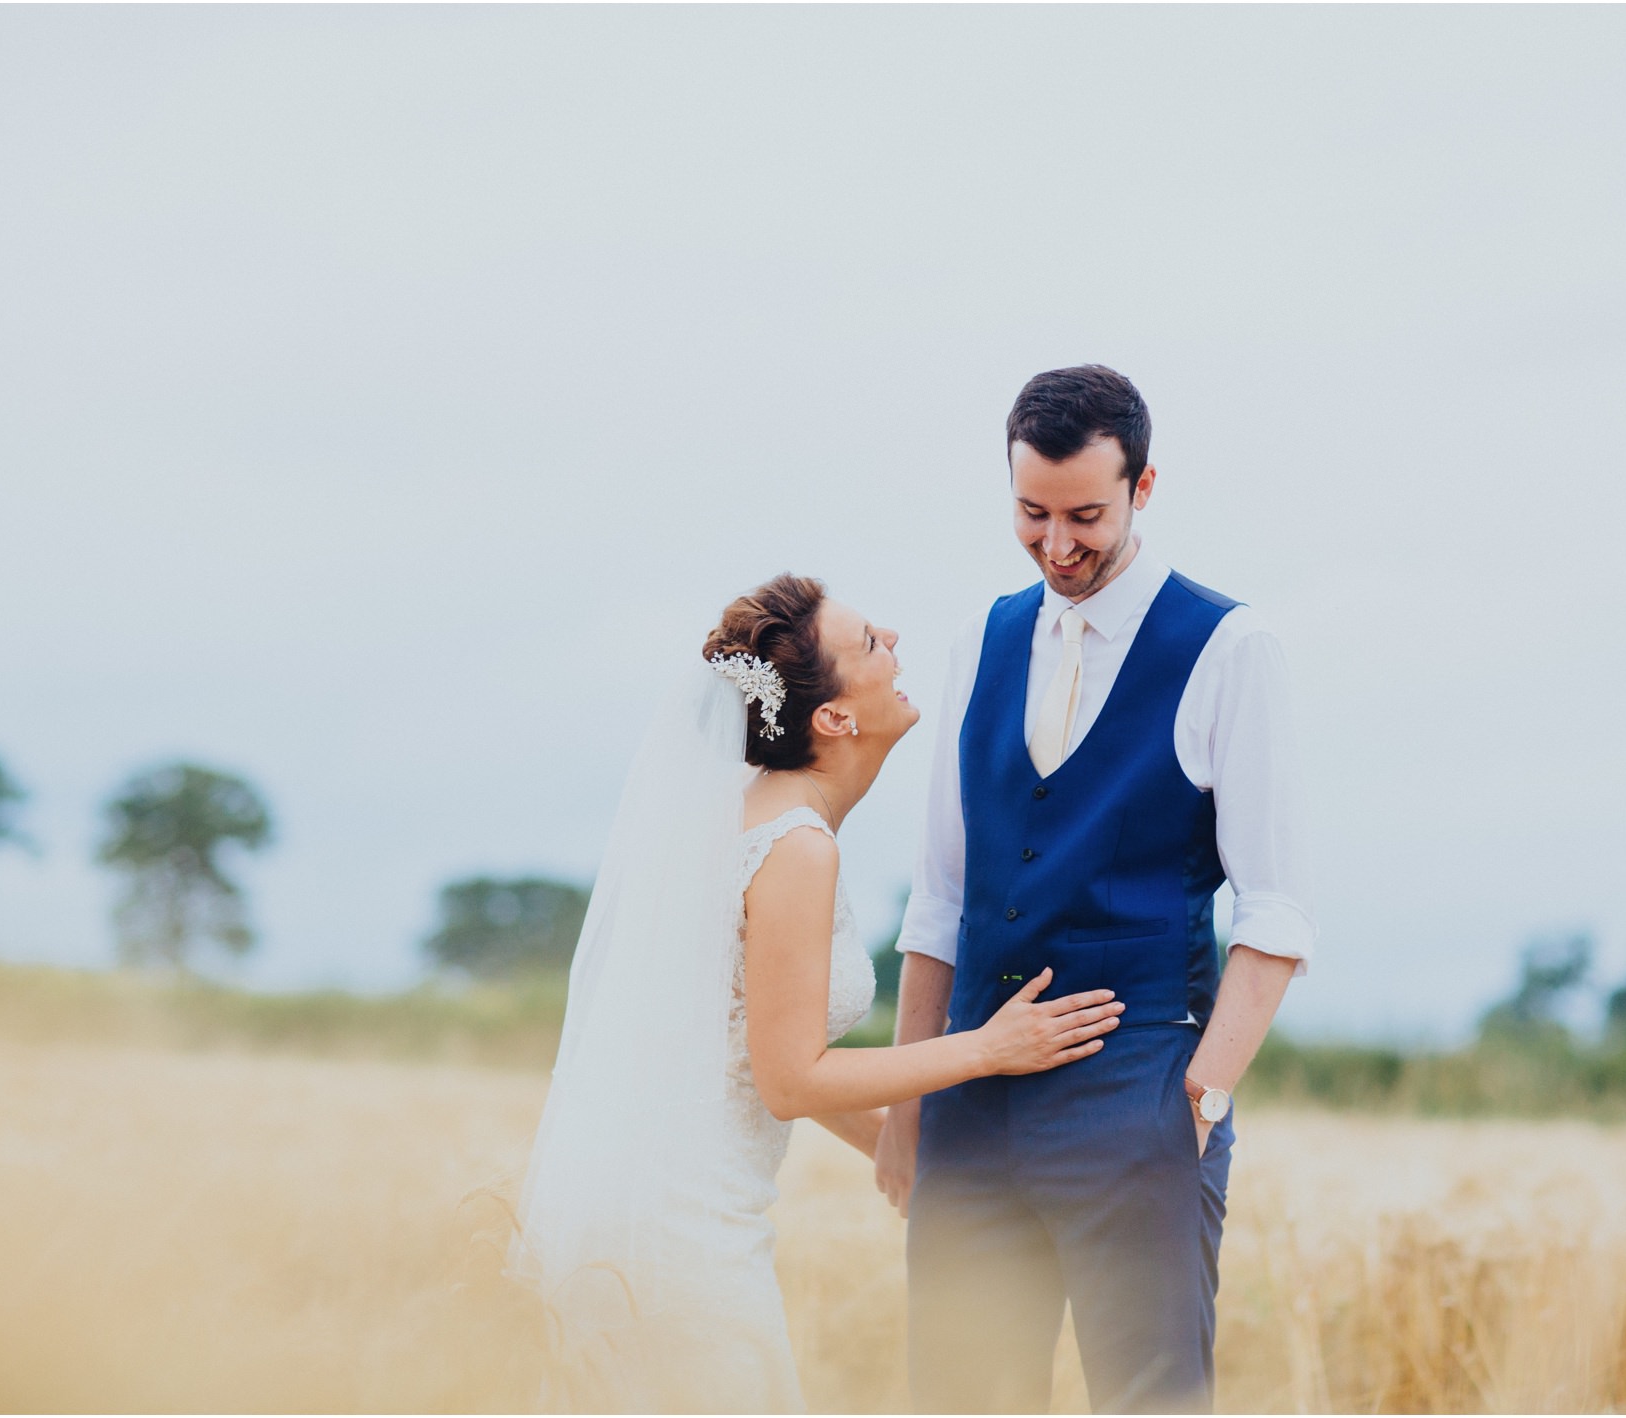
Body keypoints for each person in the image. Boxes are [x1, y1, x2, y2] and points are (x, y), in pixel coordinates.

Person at [507, 573, 1128, 1413]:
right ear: (834, 718)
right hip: (689, 1234)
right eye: (869, 642)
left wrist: (899, 1146)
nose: (894, 640)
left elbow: (755, 1043)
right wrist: (989, 1048)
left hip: (646, 1209)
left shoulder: (746, 818)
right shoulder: (796, 847)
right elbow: (790, 1078)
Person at [876, 365, 1315, 1413]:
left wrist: (1198, 1104)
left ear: (1142, 487)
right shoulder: (981, 640)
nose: (1058, 544)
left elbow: (1275, 912)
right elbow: (940, 901)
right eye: (1032, 513)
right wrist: (905, 1106)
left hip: (1141, 1109)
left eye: (1085, 516)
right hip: (969, 1116)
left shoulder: (1230, 648)